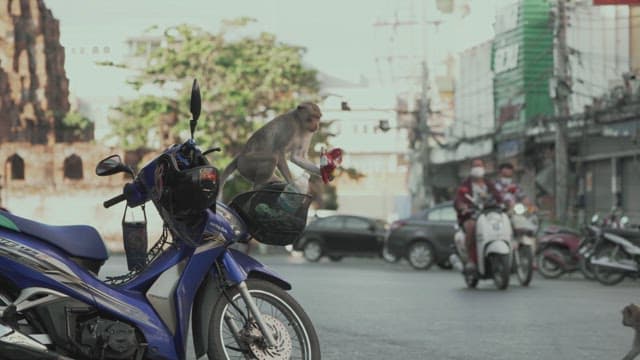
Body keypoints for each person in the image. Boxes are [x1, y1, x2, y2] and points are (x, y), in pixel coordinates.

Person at [454, 159, 502, 271]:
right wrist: (463, 206)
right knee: (471, 227)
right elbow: (458, 200)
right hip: (471, 215)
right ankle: (470, 258)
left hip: (489, 214)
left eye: (480, 166)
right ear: (472, 169)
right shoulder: (465, 185)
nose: (478, 168)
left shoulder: (489, 184)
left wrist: (505, 203)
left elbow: (499, 197)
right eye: (475, 166)